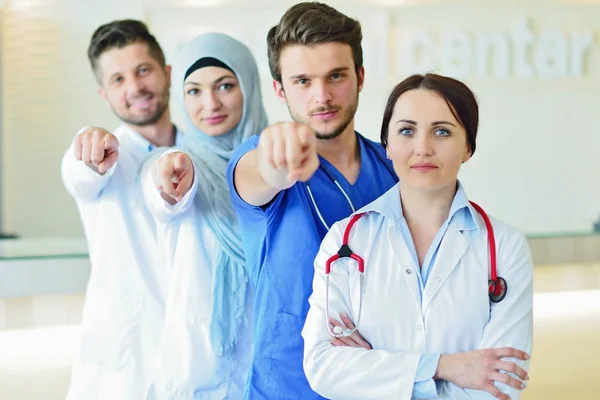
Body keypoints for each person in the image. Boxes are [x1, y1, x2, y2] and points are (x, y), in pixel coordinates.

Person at [302, 73, 533, 400]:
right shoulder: (346, 241)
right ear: (388, 146)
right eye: (407, 131)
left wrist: (373, 367)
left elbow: (502, 381)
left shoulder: (506, 247)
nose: (422, 148)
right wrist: (444, 366)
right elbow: (322, 367)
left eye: (442, 131)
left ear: (468, 147)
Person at [226, 2, 398, 398]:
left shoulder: (392, 168)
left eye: (335, 76)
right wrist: (276, 161)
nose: (322, 96)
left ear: (360, 77)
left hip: (379, 381)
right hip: (287, 387)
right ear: (279, 90)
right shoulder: (259, 159)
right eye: (302, 81)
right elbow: (260, 175)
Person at [140, 32, 268, 398]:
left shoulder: (280, 167)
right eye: (194, 91)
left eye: (225, 86)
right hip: (193, 376)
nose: (210, 103)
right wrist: (170, 180)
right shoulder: (176, 164)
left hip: (267, 369)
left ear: (249, 86)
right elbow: (162, 191)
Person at [61, 19, 182, 400]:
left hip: (186, 365)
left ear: (166, 73)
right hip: (119, 376)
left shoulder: (198, 157)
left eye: (142, 70)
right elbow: (79, 172)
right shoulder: (101, 156)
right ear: (104, 94)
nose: (134, 87)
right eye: (117, 79)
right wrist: (90, 151)